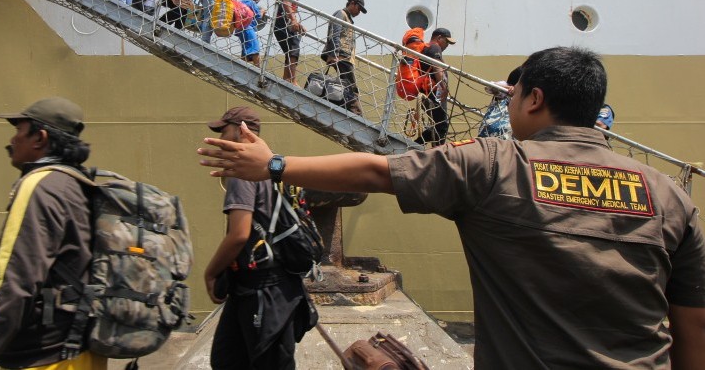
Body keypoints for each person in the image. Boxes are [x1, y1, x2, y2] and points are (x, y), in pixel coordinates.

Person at [198, 46, 705, 370]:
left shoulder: (494, 165)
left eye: (513, 94)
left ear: (534, 99)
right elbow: (693, 328)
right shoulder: (669, 196)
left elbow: (379, 170)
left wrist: (275, 165)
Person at [0, 97, 105, 370]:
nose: (12, 141)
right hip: (82, 350)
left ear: (39, 138)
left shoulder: (39, 185)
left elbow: (12, 285)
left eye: (19, 132)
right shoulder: (78, 183)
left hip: (43, 358)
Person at [203, 107, 315, 370]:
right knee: (227, 360)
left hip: (262, 291)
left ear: (241, 130)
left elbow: (239, 235)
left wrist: (209, 273)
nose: (221, 135)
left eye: (224, 129)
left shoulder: (243, 171)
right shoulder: (273, 166)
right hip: (270, 288)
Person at [321, 0, 367, 116]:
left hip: (345, 57)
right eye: (359, 9)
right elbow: (334, 34)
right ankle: (357, 115)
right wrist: (334, 53)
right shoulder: (341, 14)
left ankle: (347, 110)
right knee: (352, 88)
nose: (359, 12)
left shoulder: (348, 18)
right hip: (341, 57)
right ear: (352, 3)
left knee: (345, 85)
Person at [275, 0, 317, 85]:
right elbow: (286, 2)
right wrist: (294, 21)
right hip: (281, 22)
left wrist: (298, 24)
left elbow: (291, 11)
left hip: (285, 23)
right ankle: (292, 80)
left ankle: (286, 78)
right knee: (294, 48)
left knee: (291, 51)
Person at [419, 27, 455, 146]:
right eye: (447, 41)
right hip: (434, 93)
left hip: (428, 92)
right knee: (442, 126)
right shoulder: (435, 47)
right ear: (439, 38)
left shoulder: (427, 47)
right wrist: (444, 88)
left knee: (438, 125)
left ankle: (419, 145)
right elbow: (437, 68)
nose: (447, 45)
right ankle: (434, 151)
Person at [477, 67, 522, 140]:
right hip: (490, 130)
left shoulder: (523, 98)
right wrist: (507, 87)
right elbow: (488, 87)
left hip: (507, 136)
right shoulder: (504, 93)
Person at [235, 0, 267, 67]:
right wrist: (262, 11)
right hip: (249, 29)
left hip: (240, 29)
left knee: (245, 51)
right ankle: (258, 70)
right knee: (255, 49)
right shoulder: (252, 3)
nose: (258, 0)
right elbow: (258, 16)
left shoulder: (241, 2)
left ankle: (240, 68)